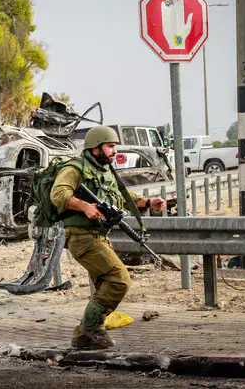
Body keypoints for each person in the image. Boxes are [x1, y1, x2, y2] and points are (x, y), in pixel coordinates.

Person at [50, 126, 165, 350]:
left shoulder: (104, 171)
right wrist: (84, 206)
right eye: (111, 146)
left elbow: (119, 196)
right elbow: (59, 193)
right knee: (118, 279)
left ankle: (85, 334)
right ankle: (90, 330)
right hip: (82, 236)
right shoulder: (75, 168)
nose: (114, 151)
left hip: (99, 236)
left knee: (106, 282)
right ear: (96, 148)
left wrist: (147, 203)